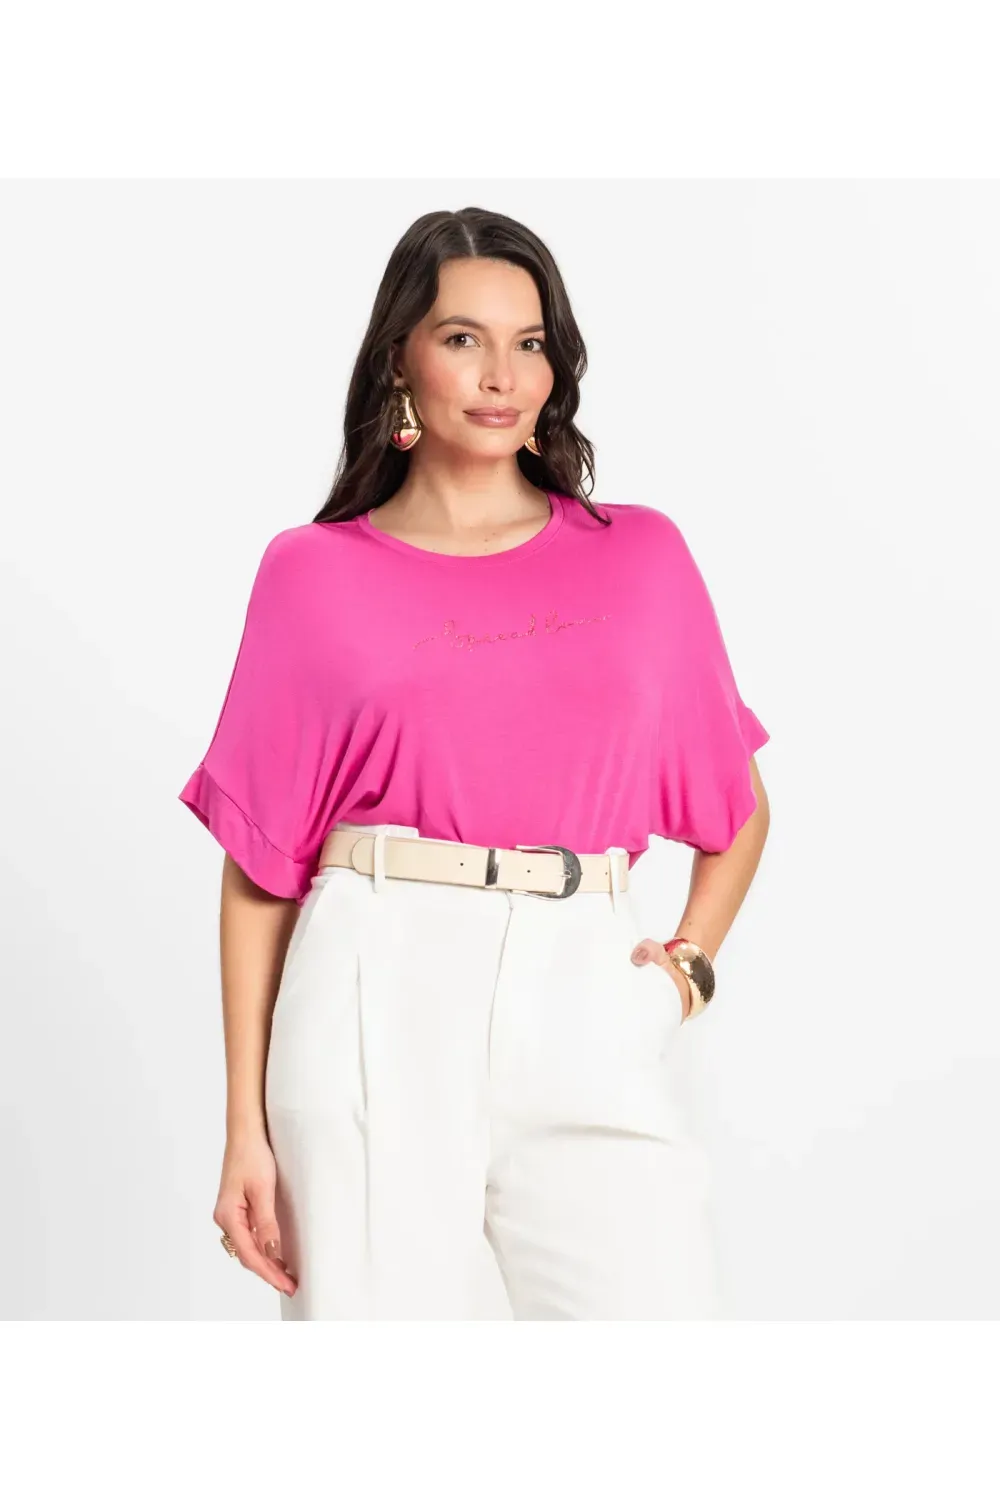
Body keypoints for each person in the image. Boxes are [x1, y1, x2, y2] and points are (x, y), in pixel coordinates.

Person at [178, 205, 771, 1320]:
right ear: (398, 358)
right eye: (462, 338)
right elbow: (262, 868)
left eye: (528, 342)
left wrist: (681, 978)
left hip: (590, 986)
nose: (502, 376)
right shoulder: (311, 574)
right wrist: (242, 1126)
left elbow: (734, 809)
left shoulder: (641, 557)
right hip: (374, 983)